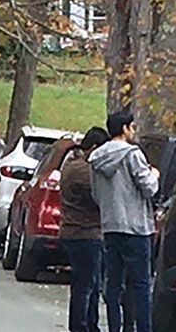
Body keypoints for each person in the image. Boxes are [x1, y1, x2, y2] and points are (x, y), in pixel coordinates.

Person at [89, 112, 160, 332]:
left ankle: (114, 327)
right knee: (140, 284)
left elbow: (95, 193)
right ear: (125, 128)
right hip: (136, 227)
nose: (134, 131)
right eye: (132, 127)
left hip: (110, 224)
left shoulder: (95, 158)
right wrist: (154, 175)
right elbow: (148, 188)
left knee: (113, 284)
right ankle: (143, 328)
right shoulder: (132, 154)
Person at [60, 127, 110, 332]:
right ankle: (81, 325)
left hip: (78, 231)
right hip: (84, 232)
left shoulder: (72, 163)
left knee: (90, 283)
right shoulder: (83, 172)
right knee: (85, 284)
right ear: (95, 148)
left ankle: (89, 323)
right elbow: (100, 198)